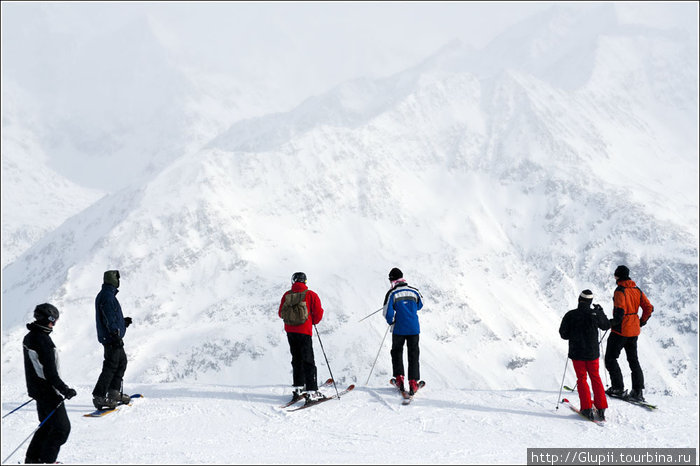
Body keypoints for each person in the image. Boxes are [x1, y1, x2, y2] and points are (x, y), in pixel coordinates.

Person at [23, 303, 77, 464]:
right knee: (61, 428)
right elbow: (50, 373)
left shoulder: (31, 336)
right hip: (48, 390)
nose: (53, 324)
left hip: (38, 390)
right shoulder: (42, 339)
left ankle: (33, 459)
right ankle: (46, 461)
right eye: (53, 320)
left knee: (47, 426)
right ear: (46, 318)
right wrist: (65, 390)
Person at [604, 265, 654, 402]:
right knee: (633, 360)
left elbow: (619, 312)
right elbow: (649, 308)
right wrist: (641, 321)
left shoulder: (620, 291)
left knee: (610, 358)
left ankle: (617, 388)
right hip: (634, 330)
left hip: (621, 331)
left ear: (618, 276)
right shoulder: (637, 290)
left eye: (615, 275)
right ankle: (637, 392)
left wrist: (611, 323)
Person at [558, 290, 610, 421]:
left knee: (582, 379)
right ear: (590, 302)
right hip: (592, 353)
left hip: (577, 353)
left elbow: (563, 334)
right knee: (595, 377)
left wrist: (574, 334)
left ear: (579, 300)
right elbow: (606, 325)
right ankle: (601, 407)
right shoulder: (595, 314)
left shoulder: (571, 315)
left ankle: (587, 408)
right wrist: (600, 311)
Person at [278, 272, 324, 403]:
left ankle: (298, 388)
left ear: (293, 281)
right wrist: (312, 321)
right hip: (305, 331)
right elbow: (318, 313)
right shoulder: (311, 294)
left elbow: (280, 313)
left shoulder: (287, 295)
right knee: (308, 360)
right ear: (305, 281)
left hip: (290, 331)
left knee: (296, 359)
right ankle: (311, 391)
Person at [92, 270, 132, 410]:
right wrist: (115, 334)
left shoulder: (107, 295)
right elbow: (108, 317)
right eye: (117, 279)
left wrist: (122, 322)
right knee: (111, 366)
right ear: (114, 280)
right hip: (111, 338)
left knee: (121, 362)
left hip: (111, 336)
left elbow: (112, 317)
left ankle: (114, 393)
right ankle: (99, 396)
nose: (119, 281)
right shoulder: (107, 297)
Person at [383, 267, 424, 395]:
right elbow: (420, 304)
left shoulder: (392, 293)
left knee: (396, 352)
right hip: (413, 328)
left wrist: (392, 321)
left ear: (392, 280)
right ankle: (413, 382)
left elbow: (387, 312)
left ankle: (400, 379)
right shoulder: (414, 291)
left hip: (399, 328)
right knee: (413, 354)